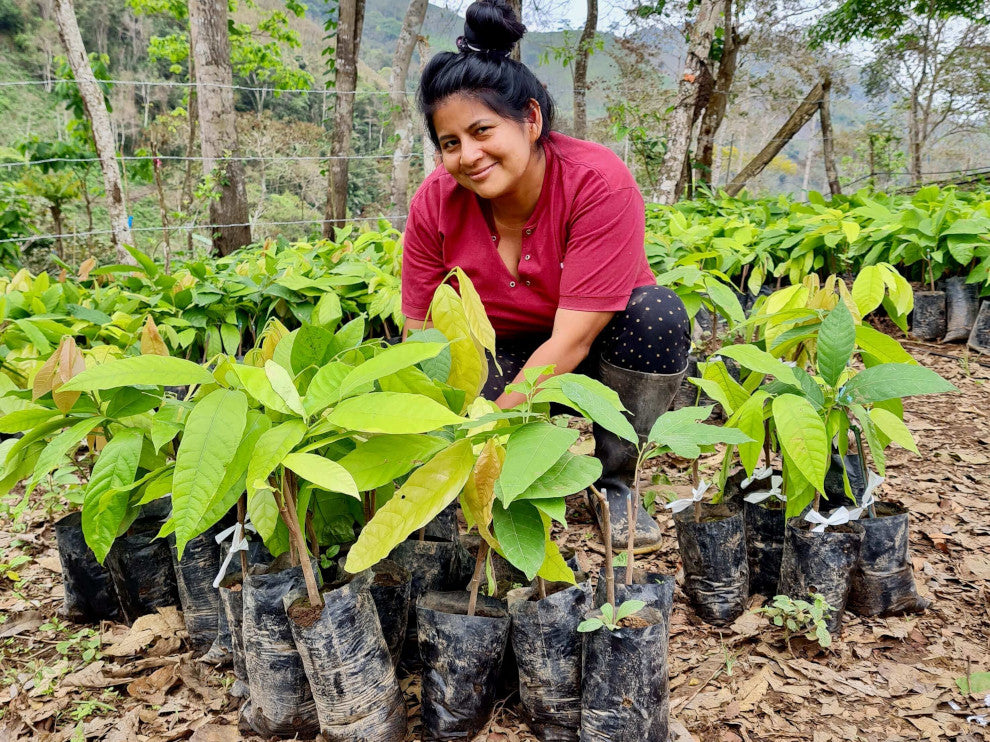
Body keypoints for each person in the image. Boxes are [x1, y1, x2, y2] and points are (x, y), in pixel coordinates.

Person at [400, 0, 690, 552]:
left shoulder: (597, 182)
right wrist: (441, 434)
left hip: (592, 349)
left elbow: (572, 339)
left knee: (655, 314)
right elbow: (421, 331)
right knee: (447, 371)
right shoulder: (434, 202)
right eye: (450, 143)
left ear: (531, 120)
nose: (469, 155)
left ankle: (616, 483)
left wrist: (488, 426)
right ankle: (497, 492)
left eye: (483, 130)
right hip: (500, 350)